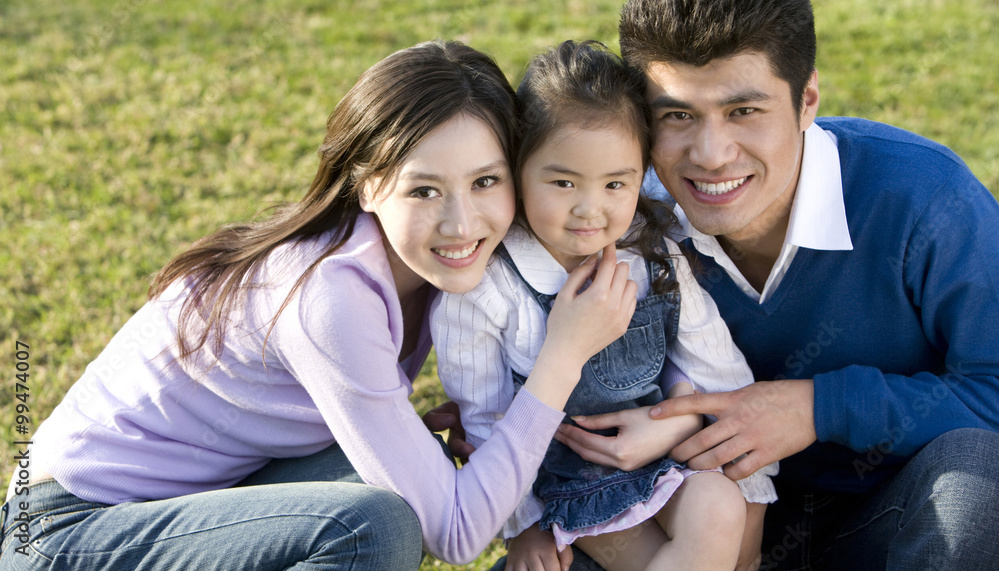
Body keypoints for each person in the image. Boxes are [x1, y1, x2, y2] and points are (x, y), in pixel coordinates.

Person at [0, 40, 641, 570]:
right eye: (423, 190)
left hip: (189, 502)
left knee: (414, 465)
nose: (462, 222)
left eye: (485, 181)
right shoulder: (328, 295)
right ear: (367, 187)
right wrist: (562, 361)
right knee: (376, 527)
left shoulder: (420, 264)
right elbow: (456, 535)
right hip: (64, 532)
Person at [554, 0, 999, 570]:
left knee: (977, 483)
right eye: (678, 115)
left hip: (891, 526)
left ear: (807, 101)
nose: (709, 154)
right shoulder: (618, 217)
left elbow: (995, 390)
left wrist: (819, 407)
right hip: (694, 524)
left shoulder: (926, 198)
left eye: (744, 111)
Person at [433, 40, 777, 571]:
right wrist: (519, 526)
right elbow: (485, 420)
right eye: (563, 181)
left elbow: (714, 360)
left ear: (643, 176)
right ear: (518, 168)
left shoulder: (652, 253)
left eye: (616, 183)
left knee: (722, 503)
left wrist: (750, 477)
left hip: (663, 458)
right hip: (569, 484)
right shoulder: (489, 289)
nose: (589, 209)